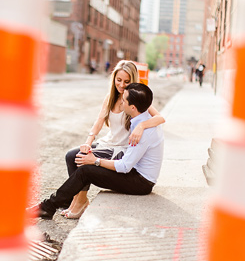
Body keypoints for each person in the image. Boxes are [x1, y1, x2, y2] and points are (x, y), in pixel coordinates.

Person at [34, 83, 164, 219]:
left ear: (132, 107)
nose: (122, 101)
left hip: (140, 182)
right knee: (80, 161)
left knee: (86, 171)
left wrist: (95, 161)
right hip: (135, 172)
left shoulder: (142, 133)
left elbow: (124, 166)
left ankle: (48, 206)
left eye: (124, 100)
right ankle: (60, 202)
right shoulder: (141, 121)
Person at [60, 60, 165, 219]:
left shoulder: (134, 99)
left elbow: (160, 118)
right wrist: (88, 142)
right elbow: (99, 121)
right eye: (119, 80)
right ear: (114, 78)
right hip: (108, 143)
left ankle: (78, 202)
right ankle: (79, 199)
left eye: (127, 81)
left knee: (82, 162)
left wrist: (141, 125)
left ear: (133, 81)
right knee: (72, 155)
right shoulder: (110, 97)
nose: (122, 85)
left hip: (121, 149)